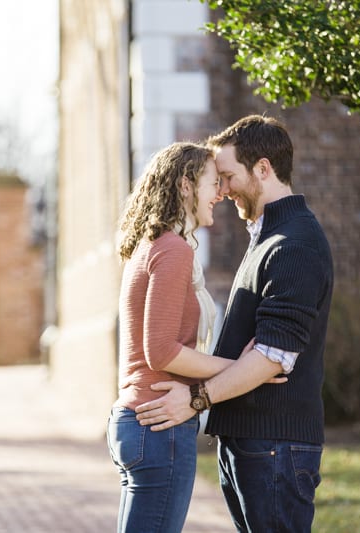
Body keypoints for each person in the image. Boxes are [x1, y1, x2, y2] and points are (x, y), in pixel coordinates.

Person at [134, 115, 334, 532]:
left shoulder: (294, 243)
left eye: (227, 177)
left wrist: (194, 399)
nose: (222, 191)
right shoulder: (266, 238)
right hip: (253, 443)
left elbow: (272, 358)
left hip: (276, 446)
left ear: (263, 169)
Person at [107, 141, 285, 533]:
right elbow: (162, 351)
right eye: (212, 183)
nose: (220, 193)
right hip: (159, 425)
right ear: (186, 185)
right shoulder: (172, 250)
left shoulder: (154, 246)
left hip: (141, 423)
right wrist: (244, 368)